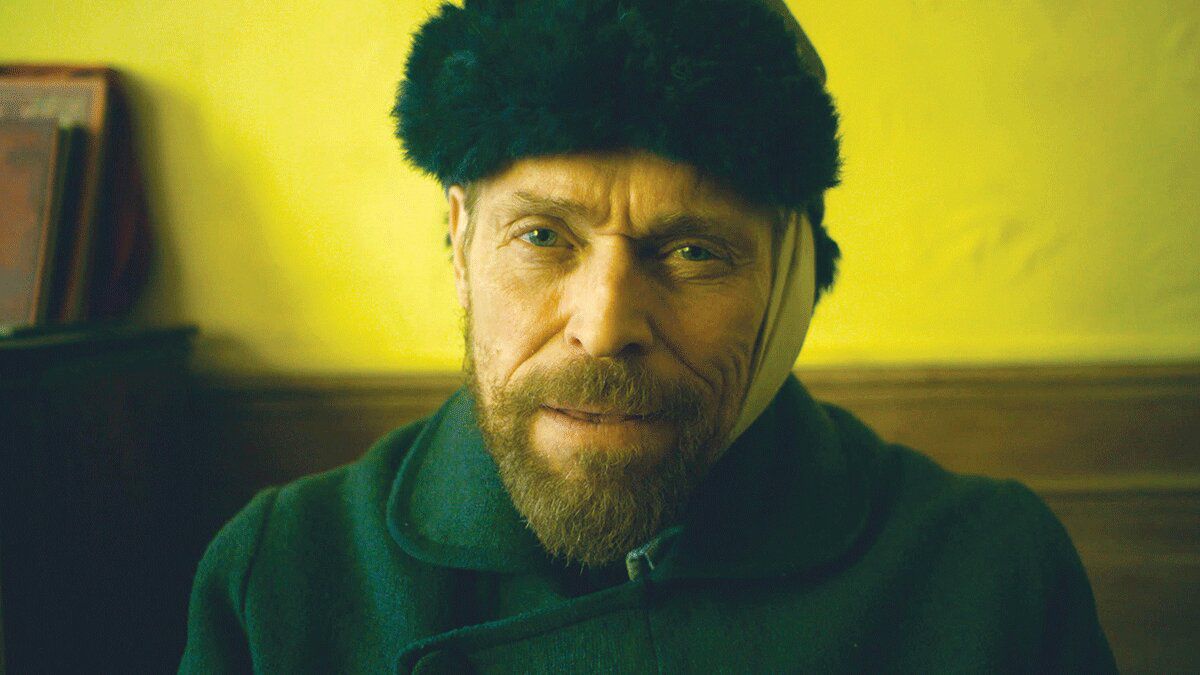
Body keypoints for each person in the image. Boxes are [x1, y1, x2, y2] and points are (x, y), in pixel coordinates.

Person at [180, 0, 1117, 671]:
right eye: (542, 237)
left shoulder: (990, 576)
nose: (604, 327)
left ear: (792, 280)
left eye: (694, 251)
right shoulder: (283, 575)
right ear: (459, 241)